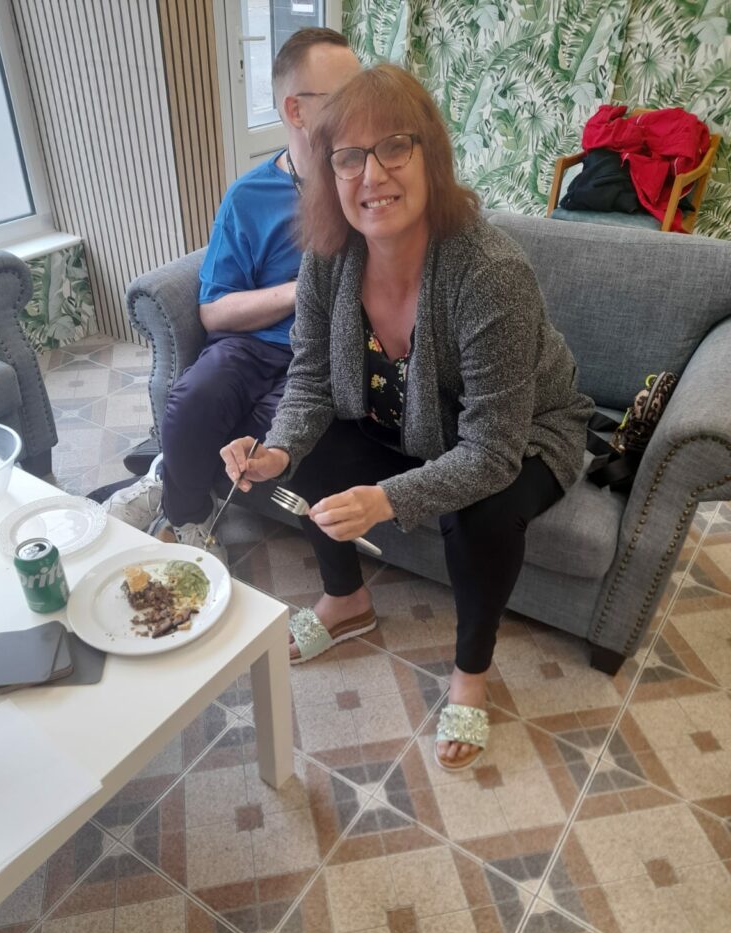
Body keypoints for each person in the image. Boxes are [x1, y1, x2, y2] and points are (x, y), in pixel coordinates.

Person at [220, 64, 595, 773]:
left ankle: (470, 677)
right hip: (409, 424)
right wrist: (274, 453)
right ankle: (346, 600)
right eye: (349, 157)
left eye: (395, 147)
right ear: (329, 172)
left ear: (432, 157)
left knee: (483, 512)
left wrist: (387, 500)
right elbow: (308, 379)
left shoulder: (489, 273)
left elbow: (490, 451)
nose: (372, 175)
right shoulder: (327, 260)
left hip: (520, 434)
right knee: (313, 459)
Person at [103, 29, 360, 557]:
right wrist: (300, 291)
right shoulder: (249, 196)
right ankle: (188, 519)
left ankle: (165, 476)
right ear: (296, 109)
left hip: (320, 358)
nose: (361, 109)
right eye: (344, 98)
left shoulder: (367, 184)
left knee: (265, 433)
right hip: (250, 345)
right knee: (193, 401)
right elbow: (214, 311)